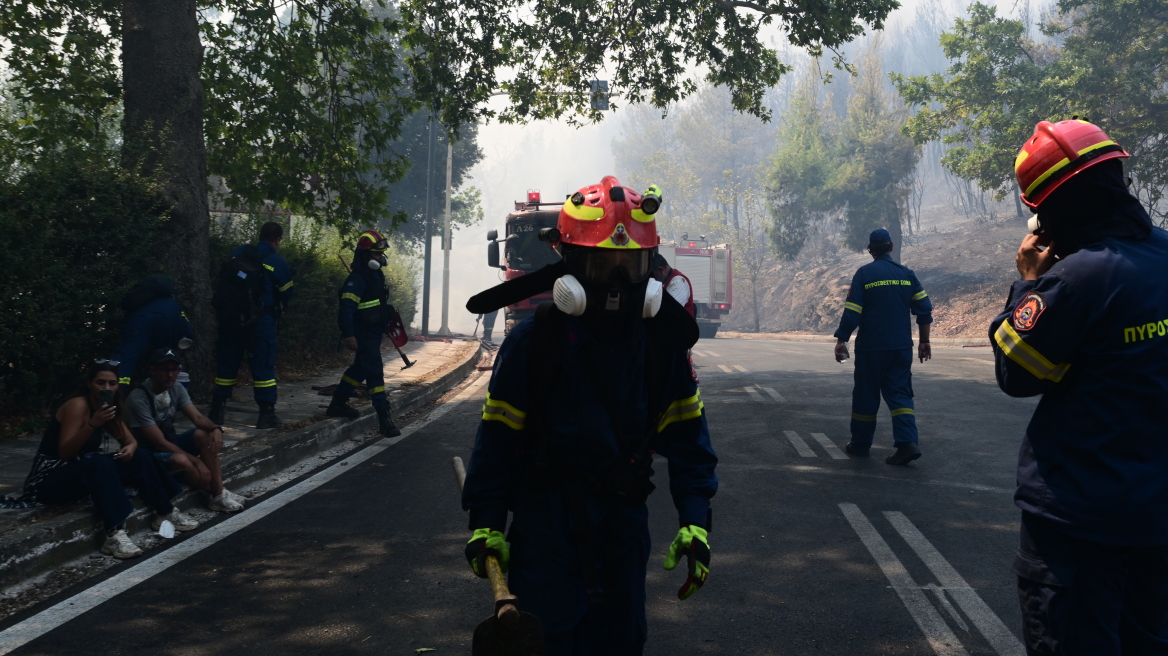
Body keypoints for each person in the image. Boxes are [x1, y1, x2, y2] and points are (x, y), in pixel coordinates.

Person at [461, 176, 718, 655]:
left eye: (631, 265)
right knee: (550, 641)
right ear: (572, 265)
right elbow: (496, 441)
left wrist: (696, 520)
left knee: (620, 642)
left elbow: (689, 441)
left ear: (651, 267)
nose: (619, 283)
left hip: (622, 530)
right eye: (604, 266)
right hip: (545, 530)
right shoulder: (532, 346)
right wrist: (488, 521)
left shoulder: (660, 348)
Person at [992, 119, 1168, 654]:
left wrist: (1027, 281)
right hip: (1157, 518)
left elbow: (1017, 373)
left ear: (1052, 212)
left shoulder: (1075, 282)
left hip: (1079, 521)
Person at [18, 362, 198, 559]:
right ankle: (114, 534)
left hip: (81, 470)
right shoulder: (78, 405)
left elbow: (129, 441)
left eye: (112, 384)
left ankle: (165, 511)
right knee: (101, 463)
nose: (107, 388)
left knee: (141, 456)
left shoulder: (108, 406)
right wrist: (92, 424)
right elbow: (65, 453)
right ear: (89, 383)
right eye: (100, 383)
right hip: (49, 479)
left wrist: (130, 448)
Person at [833, 228, 933, 465]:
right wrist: (925, 342)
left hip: (871, 348)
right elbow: (924, 309)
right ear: (891, 247)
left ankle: (860, 444)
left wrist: (842, 340)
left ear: (870, 250)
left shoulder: (864, 274)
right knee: (900, 394)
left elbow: (853, 312)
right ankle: (907, 443)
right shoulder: (906, 274)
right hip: (900, 347)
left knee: (866, 394)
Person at [127, 348, 244, 512]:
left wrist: (216, 428)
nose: (170, 375)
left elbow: (197, 418)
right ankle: (218, 493)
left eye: (174, 370)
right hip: (148, 454)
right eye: (164, 370)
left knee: (205, 434)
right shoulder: (138, 398)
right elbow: (159, 443)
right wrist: (196, 461)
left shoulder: (176, 388)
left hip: (170, 443)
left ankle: (218, 494)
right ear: (152, 370)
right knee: (182, 460)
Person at [209, 221, 295, 429]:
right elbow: (287, 293)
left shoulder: (238, 253)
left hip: (232, 318)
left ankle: (217, 409)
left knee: (227, 361)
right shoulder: (277, 261)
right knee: (263, 365)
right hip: (260, 321)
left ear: (259, 235)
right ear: (277, 240)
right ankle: (266, 414)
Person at [324, 230, 401, 438]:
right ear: (365, 254)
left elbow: (377, 304)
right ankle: (384, 418)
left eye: (381, 253)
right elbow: (346, 309)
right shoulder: (356, 279)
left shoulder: (375, 275)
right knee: (374, 370)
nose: (380, 257)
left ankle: (337, 404)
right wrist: (349, 334)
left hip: (374, 331)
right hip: (363, 333)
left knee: (359, 369)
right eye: (377, 253)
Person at [111, 274, 194, 388]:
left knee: (126, 358)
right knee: (166, 358)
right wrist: (185, 337)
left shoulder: (138, 300)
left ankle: (115, 392)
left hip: (140, 321)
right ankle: (165, 393)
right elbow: (186, 326)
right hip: (168, 320)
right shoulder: (174, 305)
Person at [651, 253, 695, 318]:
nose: (654, 278)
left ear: (660, 269)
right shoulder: (668, 282)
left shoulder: (678, 282)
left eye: (654, 274)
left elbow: (670, 311)